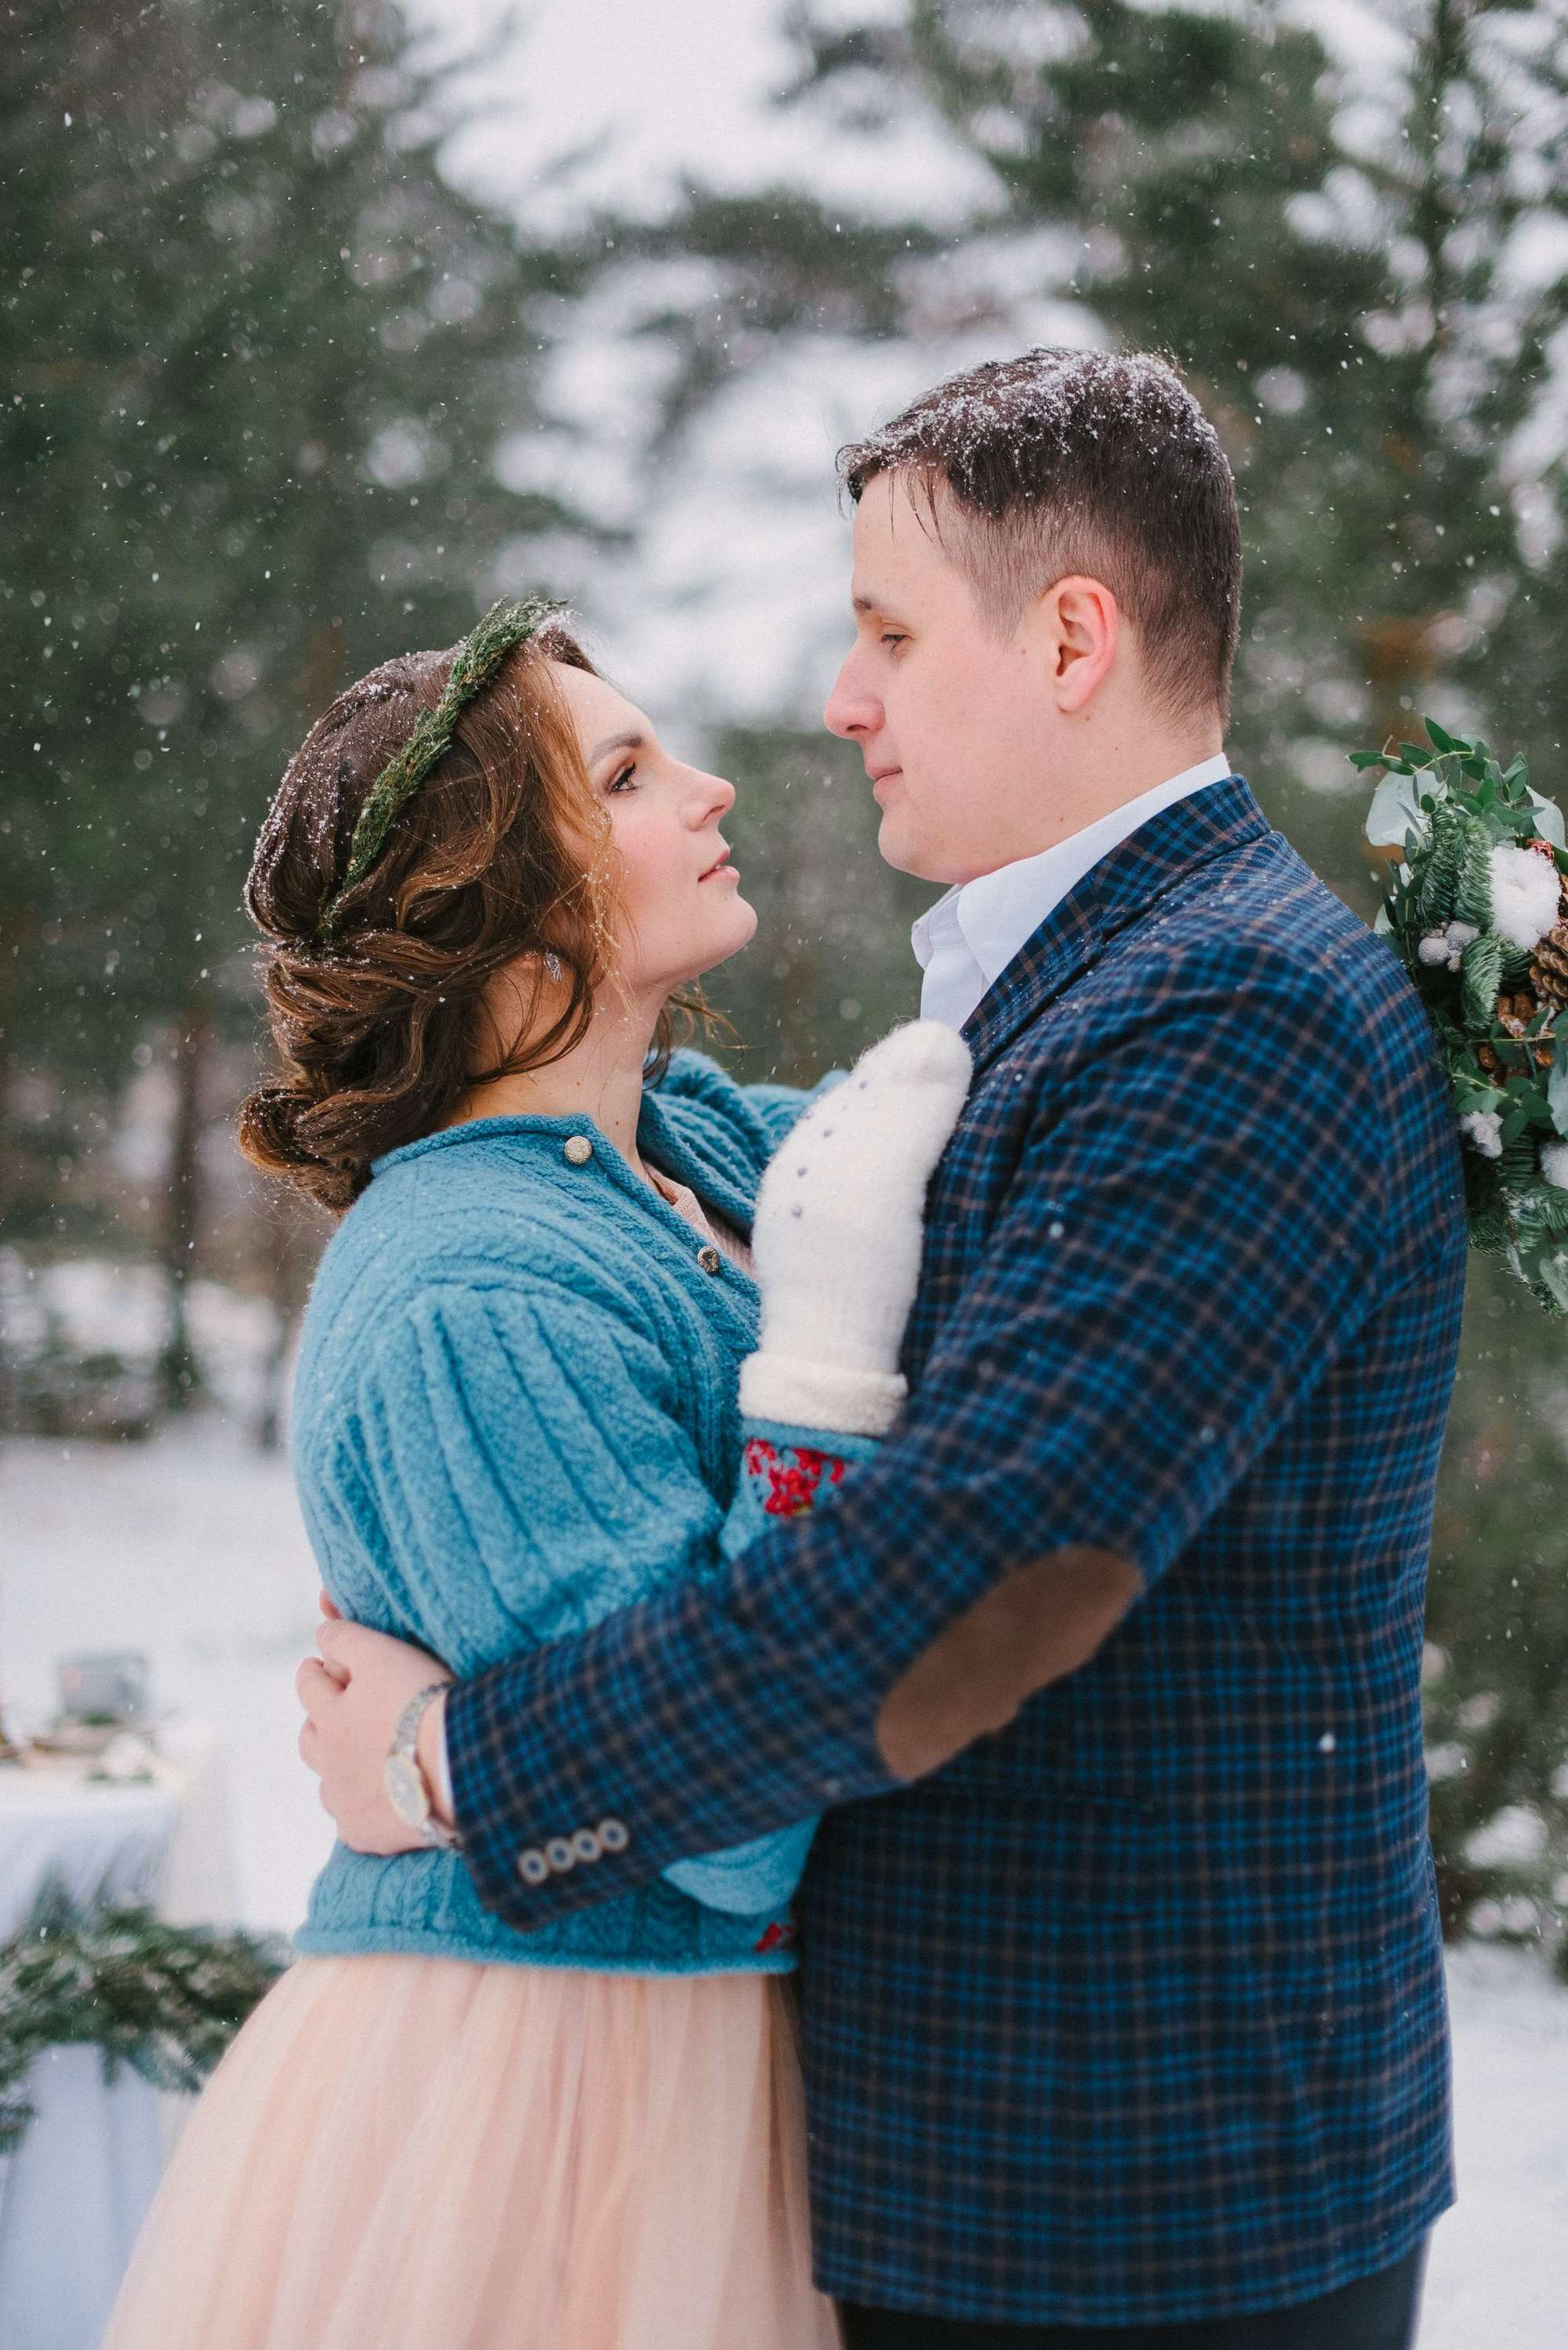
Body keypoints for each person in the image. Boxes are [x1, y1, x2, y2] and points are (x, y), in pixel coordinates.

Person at [303, 350, 1468, 2350]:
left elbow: (963, 1586)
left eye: (891, 634)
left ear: (1073, 640)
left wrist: (455, 1759)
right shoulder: (1088, 989)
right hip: (1007, 2159)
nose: (841, 699)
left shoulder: (1224, 1011)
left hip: (1124, 2190)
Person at [102, 594, 973, 2350]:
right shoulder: (471, 1296)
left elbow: (938, 1154)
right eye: (631, 776)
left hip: (700, 2055)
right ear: (498, 914)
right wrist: (813, 1386)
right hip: (559, 2098)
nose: (714, 787)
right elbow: (725, 1820)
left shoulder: (676, 1142)